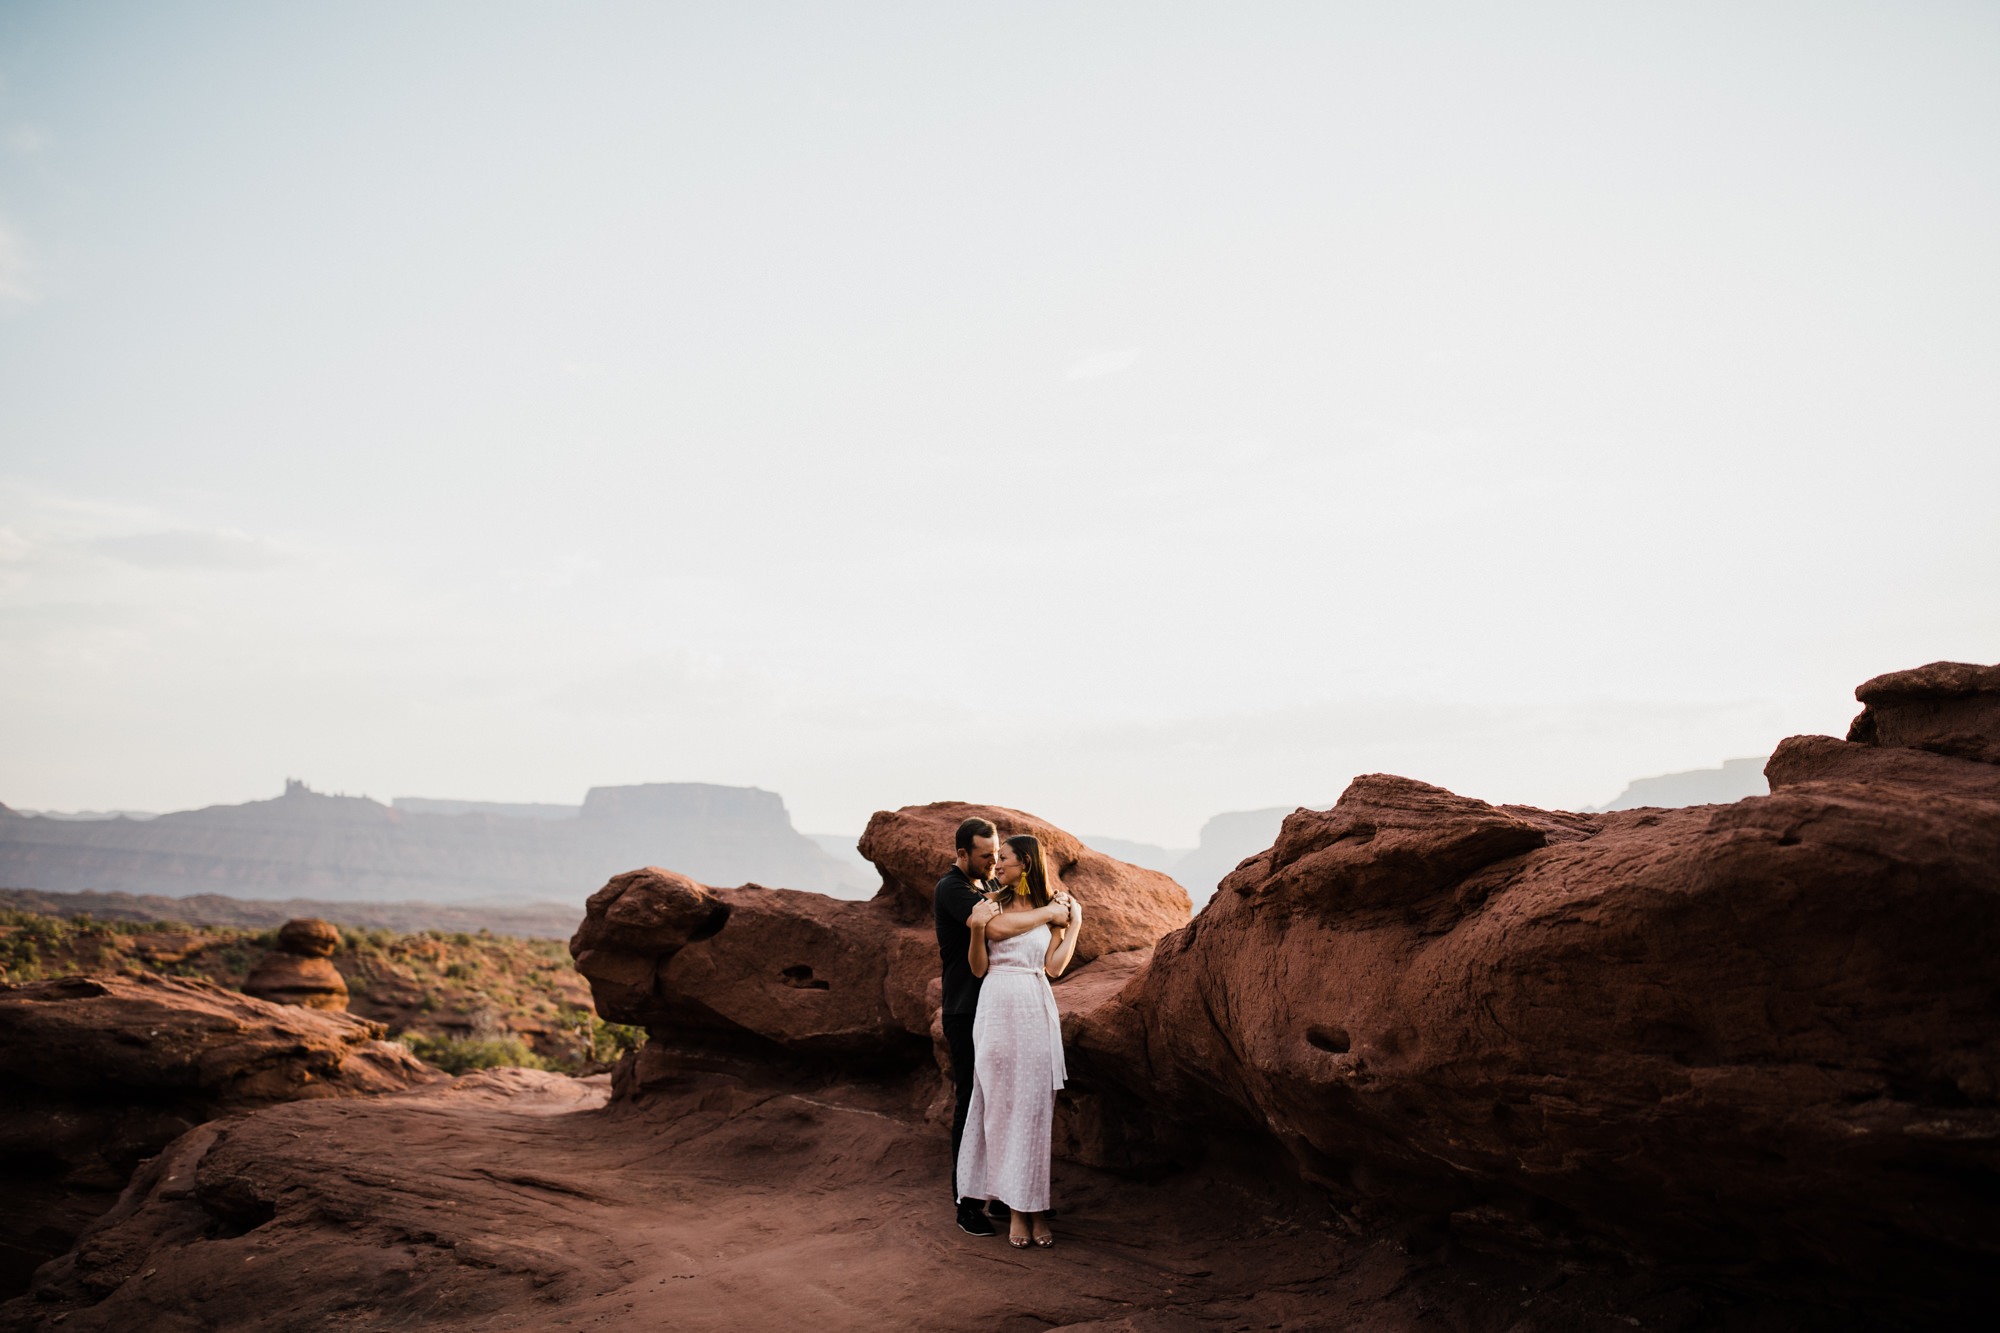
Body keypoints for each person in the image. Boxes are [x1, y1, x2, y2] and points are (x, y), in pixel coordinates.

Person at [955, 833, 1083, 1249]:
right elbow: (978, 967)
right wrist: (976, 930)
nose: (997, 866)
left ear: (1025, 863)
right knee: (1001, 1109)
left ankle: (1034, 1208)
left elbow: (1054, 967)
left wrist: (1074, 924)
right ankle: (1013, 1210)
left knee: (1033, 1112)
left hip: (1034, 1005)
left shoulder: (1053, 908)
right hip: (997, 1007)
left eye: (1004, 859)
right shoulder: (991, 903)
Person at [935, 816, 1001, 1237]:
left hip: (994, 1009)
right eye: (985, 856)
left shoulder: (990, 885)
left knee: (998, 1102)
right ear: (963, 854)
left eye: (997, 855)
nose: (993, 863)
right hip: (964, 1010)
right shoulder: (952, 888)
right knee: (970, 1102)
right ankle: (966, 1202)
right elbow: (995, 925)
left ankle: (1003, 1192)